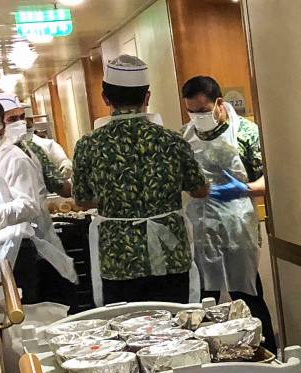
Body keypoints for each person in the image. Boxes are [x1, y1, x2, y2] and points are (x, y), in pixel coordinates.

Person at [73, 55, 209, 306]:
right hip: (170, 256)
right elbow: (200, 189)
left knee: (125, 332)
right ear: (147, 97)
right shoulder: (172, 141)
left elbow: (81, 200)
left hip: (119, 260)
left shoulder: (88, 145)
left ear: (105, 98)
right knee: (174, 330)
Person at [181, 75, 277, 353]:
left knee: (247, 295)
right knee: (203, 299)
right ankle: (207, 358)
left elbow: (270, 179)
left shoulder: (246, 132)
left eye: (202, 110)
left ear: (218, 103)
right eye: (191, 111)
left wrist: (244, 189)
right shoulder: (184, 137)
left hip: (238, 226)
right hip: (200, 228)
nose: (197, 117)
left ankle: (264, 352)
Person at [0, 94, 76, 305]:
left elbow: (29, 205)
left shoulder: (14, 158)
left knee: (23, 312)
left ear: (0, 125)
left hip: (17, 250)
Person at [0, 94, 71, 198]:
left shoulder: (32, 149)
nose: (21, 123)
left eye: (22, 117)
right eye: (12, 119)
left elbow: (60, 186)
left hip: (36, 213)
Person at [25, 108, 73, 179]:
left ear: (32, 121)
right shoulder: (5, 151)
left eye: (27, 124)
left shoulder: (47, 145)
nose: (21, 125)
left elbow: (64, 162)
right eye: (13, 120)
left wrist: (65, 168)